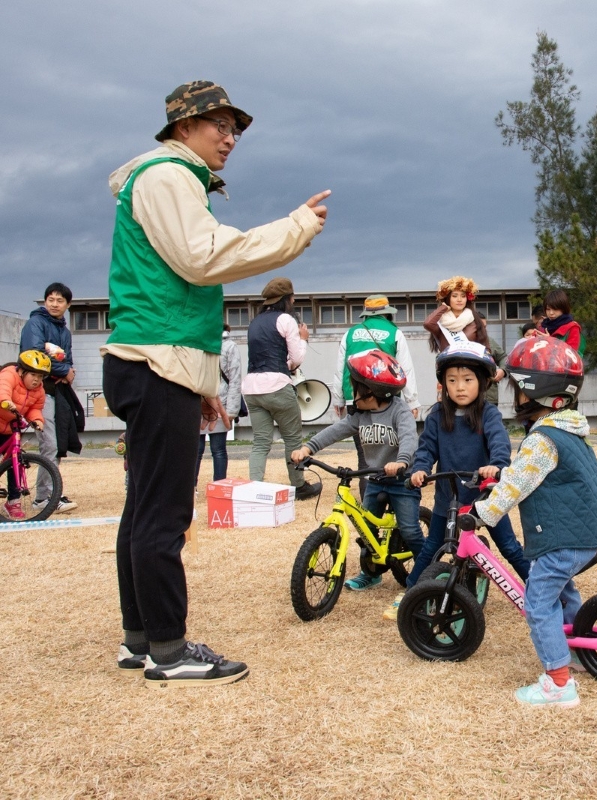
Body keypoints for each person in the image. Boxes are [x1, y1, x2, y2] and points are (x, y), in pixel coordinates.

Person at [102, 80, 330, 686]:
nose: (230, 138)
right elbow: (204, 259)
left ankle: (140, 640)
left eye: (235, 129)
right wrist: (295, 228)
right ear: (184, 128)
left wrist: (200, 383)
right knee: (164, 514)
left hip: (153, 362)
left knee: (144, 508)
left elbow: (175, 283)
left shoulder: (164, 178)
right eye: (218, 126)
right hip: (156, 362)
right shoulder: (168, 176)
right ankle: (169, 652)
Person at [471, 336, 597, 707]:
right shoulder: (568, 429)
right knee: (562, 590)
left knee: (538, 602)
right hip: (579, 533)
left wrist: (482, 512)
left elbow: (518, 483)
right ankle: (579, 651)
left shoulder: (542, 438)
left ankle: (558, 683)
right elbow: (528, 474)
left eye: (516, 387)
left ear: (537, 392)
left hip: (563, 537)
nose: (511, 395)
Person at [290, 350, 423, 604]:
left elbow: (409, 437)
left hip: (400, 480)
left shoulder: (399, 411)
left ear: (373, 392)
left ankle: (424, 572)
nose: (352, 396)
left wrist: (402, 461)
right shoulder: (360, 416)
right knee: (366, 527)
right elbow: (335, 431)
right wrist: (308, 448)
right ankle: (370, 573)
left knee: (409, 529)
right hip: (374, 478)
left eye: (356, 390)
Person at [405, 342, 530, 611]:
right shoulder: (437, 415)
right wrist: (421, 469)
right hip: (447, 498)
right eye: (452, 380)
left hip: (484, 497)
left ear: (483, 382)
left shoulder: (489, 414)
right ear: (444, 385)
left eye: (467, 380)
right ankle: (410, 594)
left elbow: (499, 444)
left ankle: (540, 589)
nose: (460, 387)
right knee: (431, 548)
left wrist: (495, 465)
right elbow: (426, 449)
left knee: (509, 547)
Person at [242, 277, 320, 500]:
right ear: (287, 299)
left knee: (260, 442)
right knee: (293, 440)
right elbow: (297, 359)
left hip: (252, 388)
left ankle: (254, 487)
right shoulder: (286, 320)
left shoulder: (254, 322)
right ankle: (299, 486)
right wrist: (303, 339)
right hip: (277, 386)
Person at [19, 282, 79, 514]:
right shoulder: (36, 323)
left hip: (55, 391)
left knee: (58, 443)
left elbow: (68, 360)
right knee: (50, 443)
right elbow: (33, 356)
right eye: (51, 299)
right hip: (37, 391)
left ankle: (48, 495)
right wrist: (64, 370)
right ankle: (44, 497)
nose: (55, 304)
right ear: (45, 301)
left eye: (60, 300)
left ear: (67, 305)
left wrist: (66, 370)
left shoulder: (64, 331)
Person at [332, 294, 418, 421]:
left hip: (355, 397)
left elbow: (340, 370)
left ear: (366, 314)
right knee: (386, 439)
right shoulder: (395, 333)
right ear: (387, 313)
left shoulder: (350, 334)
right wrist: (412, 402)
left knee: (361, 439)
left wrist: (338, 400)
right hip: (386, 397)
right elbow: (405, 369)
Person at [0, 351, 50, 519]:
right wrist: (6, 402)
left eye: (41, 376)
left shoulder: (39, 390)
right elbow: (3, 390)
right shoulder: (9, 375)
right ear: (21, 371)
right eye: (33, 375)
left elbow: (35, 408)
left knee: (15, 463)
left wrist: (37, 420)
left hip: (10, 429)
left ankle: (13, 502)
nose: (37, 380)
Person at [195, 325, 242, 485]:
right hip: (221, 401)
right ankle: (219, 485)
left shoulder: (196, 341)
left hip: (198, 401)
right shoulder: (230, 346)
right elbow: (235, 378)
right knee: (219, 450)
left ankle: (191, 486)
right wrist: (231, 409)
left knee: (196, 450)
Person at [424, 276, 490, 353]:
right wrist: (443, 308)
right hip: (448, 363)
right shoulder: (441, 323)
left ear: (467, 299)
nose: (459, 300)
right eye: (454, 296)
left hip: (470, 363)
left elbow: (486, 349)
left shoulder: (476, 322)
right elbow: (427, 324)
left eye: (463, 296)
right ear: (448, 299)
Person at [536, 289, 584, 353]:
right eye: (548, 309)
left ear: (563, 308)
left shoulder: (572, 327)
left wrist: (550, 341)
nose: (551, 313)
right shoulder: (543, 326)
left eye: (555, 309)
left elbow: (571, 353)